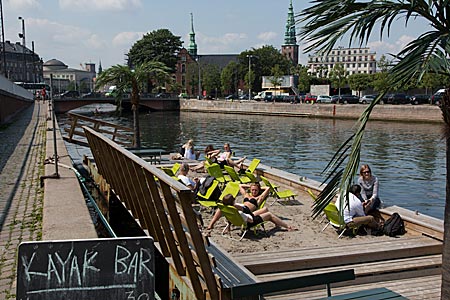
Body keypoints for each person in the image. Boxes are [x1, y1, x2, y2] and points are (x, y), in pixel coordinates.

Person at [205, 182, 271, 234]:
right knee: (223, 208)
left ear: (258, 190)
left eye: (256, 190)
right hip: (241, 207)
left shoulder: (259, 198)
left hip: (246, 210)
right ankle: (211, 225)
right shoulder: (246, 195)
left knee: (228, 208)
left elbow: (267, 188)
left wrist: (259, 187)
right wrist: (251, 186)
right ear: (250, 190)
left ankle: (227, 227)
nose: (254, 191)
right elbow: (240, 186)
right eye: (252, 190)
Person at [221, 194, 296, 232]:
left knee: (265, 209)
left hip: (247, 216)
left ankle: (277, 223)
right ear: (232, 201)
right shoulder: (238, 212)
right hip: (250, 221)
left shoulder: (229, 209)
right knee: (269, 215)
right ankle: (288, 227)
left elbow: (230, 218)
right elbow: (250, 220)